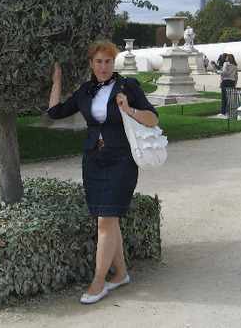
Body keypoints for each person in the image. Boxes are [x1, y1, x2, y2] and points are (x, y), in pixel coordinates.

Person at [47, 40, 158, 305]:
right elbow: (55, 112)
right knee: (107, 218)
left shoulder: (127, 86)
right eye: (99, 61)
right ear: (91, 65)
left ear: (113, 62)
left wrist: (128, 108)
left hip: (121, 159)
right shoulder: (86, 91)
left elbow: (152, 118)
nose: (104, 66)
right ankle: (120, 274)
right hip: (93, 160)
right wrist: (57, 81)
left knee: (105, 220)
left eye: (108, 61)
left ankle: (99, 282)